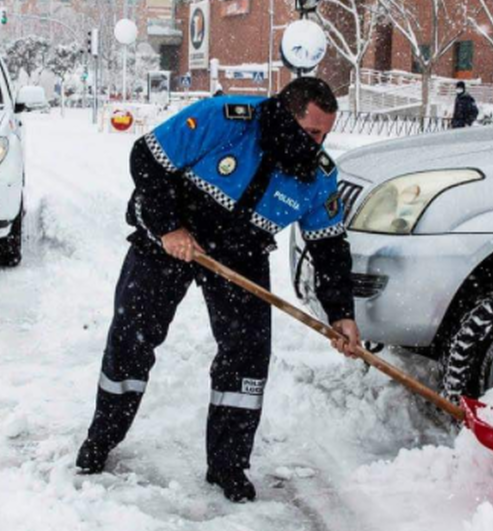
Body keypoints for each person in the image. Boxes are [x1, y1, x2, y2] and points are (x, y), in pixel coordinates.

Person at [75, 77, 360, 503]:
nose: (319, 144)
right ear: (286, 114)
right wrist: (169, 227)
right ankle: (102, 437)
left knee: (246, 356)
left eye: (325, 134)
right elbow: (147, 159)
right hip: (173, 236)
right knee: (133, 335)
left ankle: (228, 466)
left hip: (242, 254)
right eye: (313, 132)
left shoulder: (317, 176)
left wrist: (341, 313)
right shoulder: (223, 120)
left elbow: (330, 247)